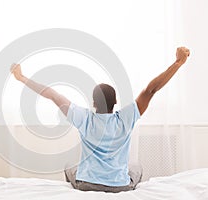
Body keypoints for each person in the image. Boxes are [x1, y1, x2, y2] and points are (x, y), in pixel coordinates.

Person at [10, 47, 190, 193]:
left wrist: (21, 78)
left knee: (69, 166)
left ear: (93, 102)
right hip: (119, 186)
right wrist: (178, 63)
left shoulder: (83, 118)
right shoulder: (125, 118)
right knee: (136, 167)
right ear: (115, 102)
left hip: (86, 184)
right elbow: (151, 90)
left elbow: (51, 94)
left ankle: (78, 190)